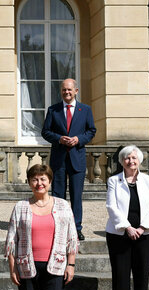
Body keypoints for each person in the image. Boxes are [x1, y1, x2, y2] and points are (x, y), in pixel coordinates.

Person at [105, 145, 149, 290]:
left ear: (139, 161)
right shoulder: (114, 181)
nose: (131, 161)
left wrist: (142, 228)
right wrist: (127, 227)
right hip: (119, 234)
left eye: (134, 158)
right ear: (122, 161)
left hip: (145, 233)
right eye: (127, 158)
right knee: (121, 273)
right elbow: (111, 206)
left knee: (142, 272)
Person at [41, 78, 96, 241]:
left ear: (76, 91)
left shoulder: (85, 110)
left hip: (77, 159)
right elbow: (45, 131)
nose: (67, 92)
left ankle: (76, 228)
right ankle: (58, 227)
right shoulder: (53, 110)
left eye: (69, 90)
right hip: (58, 160)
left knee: (76, 196)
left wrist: (79, 139)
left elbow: (91, 130)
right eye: (64, 90)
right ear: (61, 91)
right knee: (58, 196)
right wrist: (59, 138)